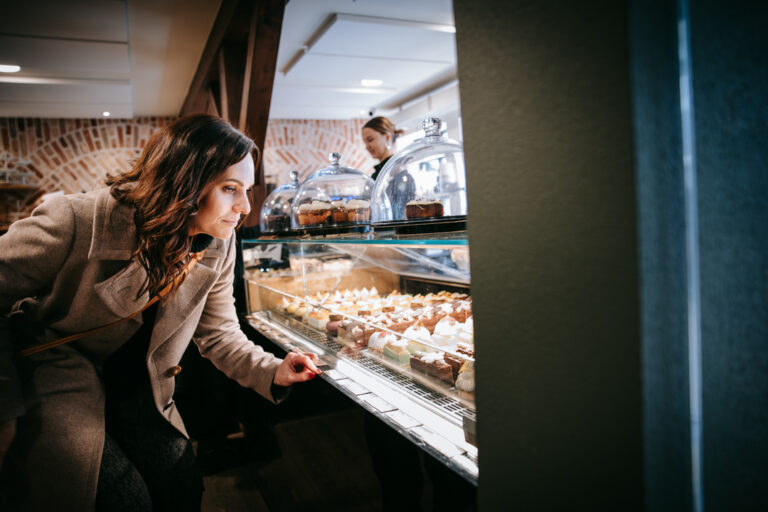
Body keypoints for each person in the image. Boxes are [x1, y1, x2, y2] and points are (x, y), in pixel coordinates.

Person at [0, 114, 322, 511]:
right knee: (122, 499)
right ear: (183, 182)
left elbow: (219, 333)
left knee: (182, 487)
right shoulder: (74, 219)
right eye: (230, 188)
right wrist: (6, 405)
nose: (244, 206)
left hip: (141, 387)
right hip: (55, 377)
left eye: (247, 189)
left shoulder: (218, 243)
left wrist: (272, 369)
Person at [362, 116, 415, 219]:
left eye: (370, 140)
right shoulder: (378, 172)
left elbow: (399, 215)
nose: (367, 146)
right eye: (365, 142)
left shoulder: (398, 172)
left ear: (387, 137)